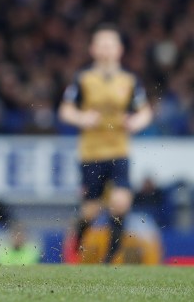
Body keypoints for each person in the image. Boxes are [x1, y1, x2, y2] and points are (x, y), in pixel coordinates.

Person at [58, 23, 153, 264]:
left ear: (119, 50)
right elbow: (65, 110)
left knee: (120, 202)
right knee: (91, 210)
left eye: (110, 45)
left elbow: (145, 112)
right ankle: (77, 242)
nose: (106, 50)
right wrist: (82, 118)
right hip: (91, 153)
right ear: (93, 49)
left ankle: (111, 258)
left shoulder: (129, 81)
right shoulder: (84, 79)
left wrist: (135, 123)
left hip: (118, 150)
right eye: (101, 45)